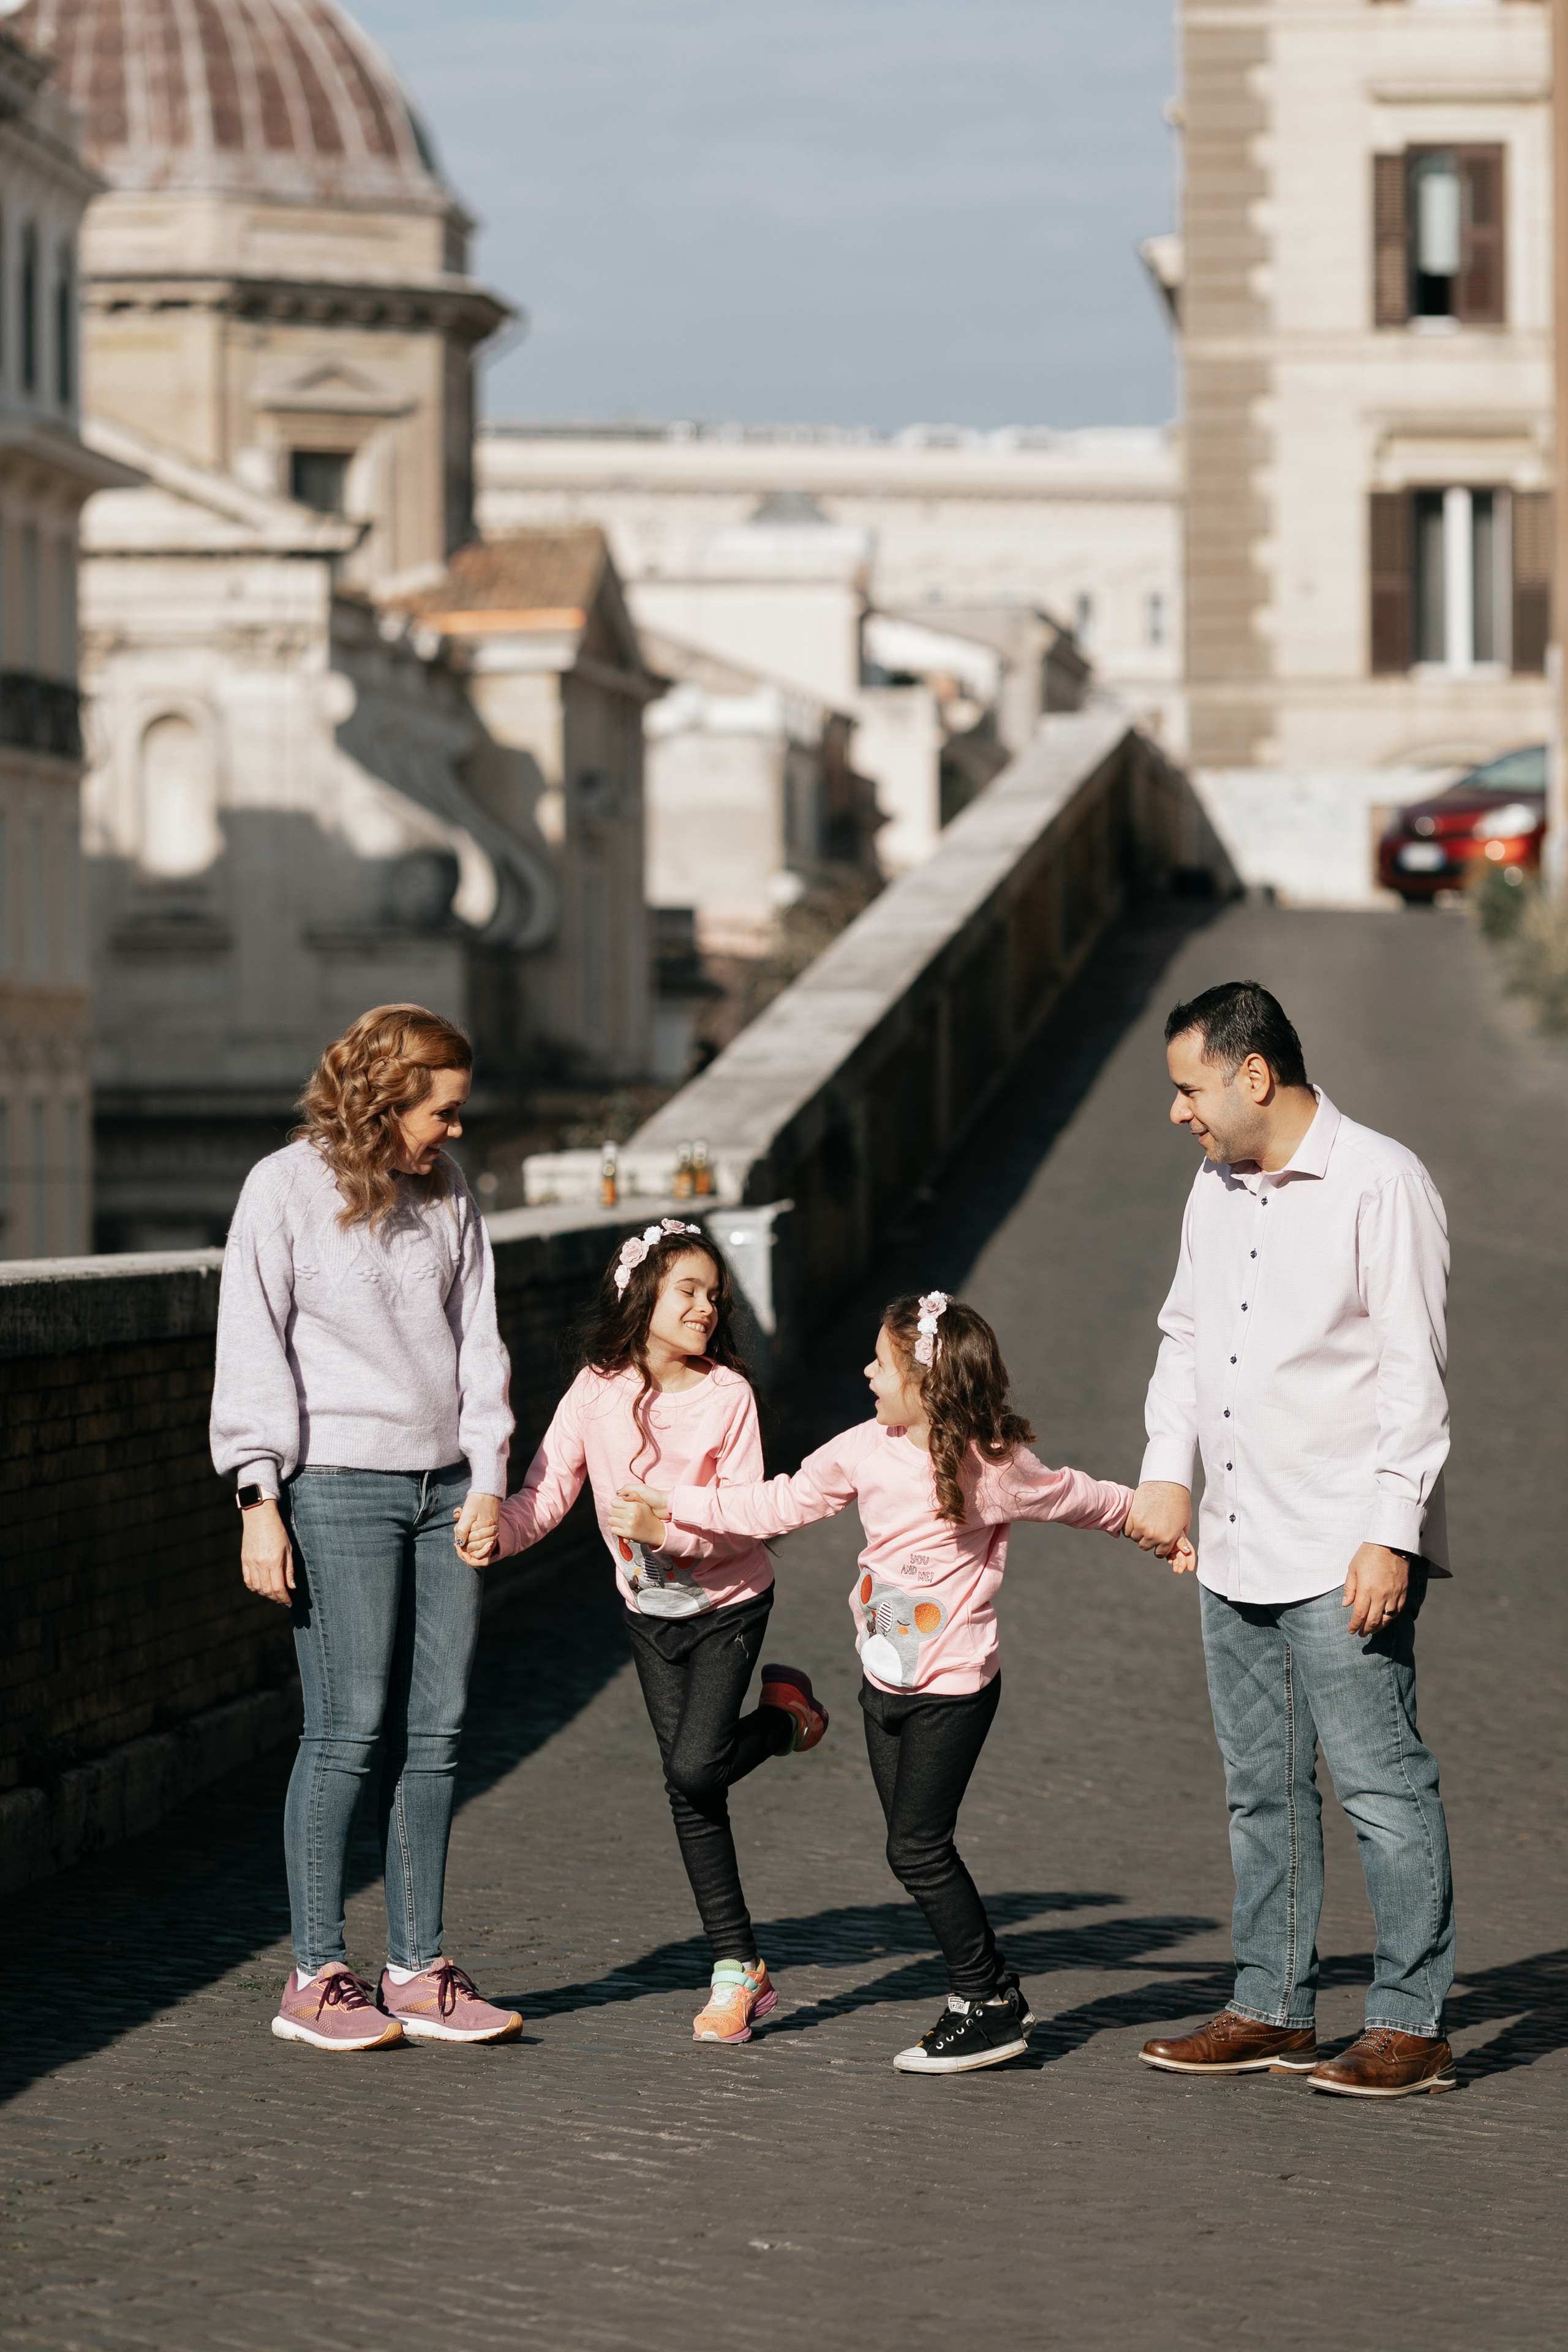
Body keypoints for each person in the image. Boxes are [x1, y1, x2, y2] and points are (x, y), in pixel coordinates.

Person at [614, 1290, 1188, 2075]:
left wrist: (1155, 1525)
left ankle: (987, 2002)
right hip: (882, 1680)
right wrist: (676, 1506)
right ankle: (986, 1997)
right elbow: (776, 1499)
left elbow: (1077, 1496)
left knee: (918, 1849)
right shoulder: (863, 1448)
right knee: (909, 1849)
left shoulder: (991, 1464)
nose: (866, 1372)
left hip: (955, 1688)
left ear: (925, 1379)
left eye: (880, 1362)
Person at [1126, 980, 1457, 2098]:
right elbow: (1184, 1338)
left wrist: (1391, 1535)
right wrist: (1167, 1475)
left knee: (1382, 1788)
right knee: (1260, 1789)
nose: (1180, 1113)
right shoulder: (1212, 1188)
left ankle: (1411, 2025)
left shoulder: (1382, 1182)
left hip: (1340, 1542)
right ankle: (1271, 2006)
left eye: (1189, 1088)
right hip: (1233, 1538)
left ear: (1252, 1073)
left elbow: (1415, 1374)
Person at [210, 1003, 522, 2052]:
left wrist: (490, 1475)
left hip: (445, 1491)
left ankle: (418, 1971)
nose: (456, 1131)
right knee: (348, 1731)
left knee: (436, 1737)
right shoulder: (283, 1189)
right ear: (388, 1099)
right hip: (336, 1488)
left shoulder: (449, 1192)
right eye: (445, 1110)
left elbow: (480, 1336)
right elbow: (250, 1347)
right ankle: (313, 1976)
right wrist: (259, 1500)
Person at [466, 1217, 827, 2047]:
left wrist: (666, 1526)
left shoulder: (728, 1397)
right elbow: (547, 1490)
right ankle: (740, 1972)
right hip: (649, 1618)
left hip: (730, 1606)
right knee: (692, 1789)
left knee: (694, 1767)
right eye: (689, 1291)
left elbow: (744, 1519)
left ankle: (783, 1718)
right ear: (644, 1296)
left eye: (713, 1295)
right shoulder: (595, 1391)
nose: (706, 1308)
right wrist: (498, 1534)